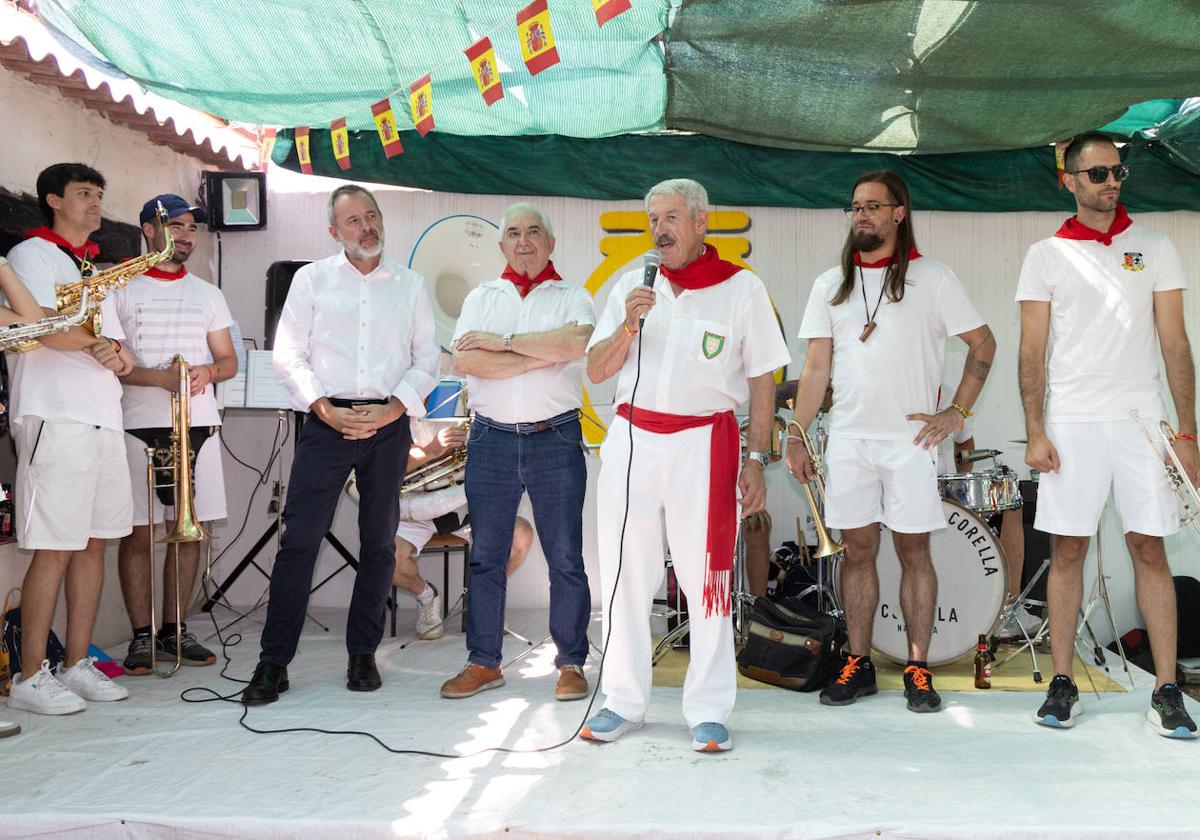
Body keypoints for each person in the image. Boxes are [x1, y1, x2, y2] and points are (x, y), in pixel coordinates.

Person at [584, 178, 790, 752]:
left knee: (709, 583)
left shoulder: (742, 288)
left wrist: (756, 458)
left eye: (671, 217)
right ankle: (623, 702)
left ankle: (708, 708)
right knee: (625, 576)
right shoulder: (633, 284)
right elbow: (597, 371)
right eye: (653, 219)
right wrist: (629, 326)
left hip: (705, 443)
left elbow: (762, 380)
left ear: (701, 222)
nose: (660, 229)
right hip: (632, 441)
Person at [788, 170, 994, 714]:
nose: (862, 215)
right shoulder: (829, 283)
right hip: (849, 441)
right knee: (857, 553)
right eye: (855, 207)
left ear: (899, 213)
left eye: (873, 206)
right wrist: (795, 433)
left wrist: (958, 410)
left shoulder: (934, 277)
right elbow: (813, 369)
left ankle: (918, 667)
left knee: (914, 552)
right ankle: (857, 664)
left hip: (911, 443)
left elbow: (983, 344)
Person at [1017, 132, 1197, 738]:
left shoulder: (1153, 246)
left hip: (1142, 423)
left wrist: (1187, 432)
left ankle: (1167, 689)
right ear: (1068, 181)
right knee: (1068, 550)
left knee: (1150, 548)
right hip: (1071, 422)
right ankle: (1062, 682)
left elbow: (1175, 343)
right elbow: (1032, 351)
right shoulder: (1044, 255)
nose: (1111, 182)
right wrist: (1034, 429)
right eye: (1096, 174)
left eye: (1117, 172)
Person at [242, 184, 438, 705]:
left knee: (378, 544)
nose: (365, 227)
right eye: (352, 221)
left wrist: (395, 406)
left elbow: (427, 358)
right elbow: (288, 354)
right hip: (326, 422)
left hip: (388, 423)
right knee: (300, 539)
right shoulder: (311, 280)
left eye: (371, 216)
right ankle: (273, 662)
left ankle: (362, 654)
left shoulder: (411, 285)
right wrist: (320, 407)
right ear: (334, 232)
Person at [439, 203, 593, 702]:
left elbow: (575, 345)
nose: (523, 241)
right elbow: (465, 359)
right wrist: (538, 353)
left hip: (557, 437)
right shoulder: (483, 296)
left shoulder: (574, 295)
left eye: (533, 232)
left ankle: (570, 662)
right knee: (486, 557)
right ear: (501, 244)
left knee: (565, 557)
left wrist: (502, 347)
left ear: (550, 243)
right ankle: (483, 662)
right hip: (492, 439)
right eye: (513, 233)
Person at [4, 162, 135, 716]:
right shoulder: (32, 255)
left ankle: (76, 663)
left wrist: (116, 353)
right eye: (84, 193)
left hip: (103, 416)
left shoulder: (91, 267)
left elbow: (123, 353)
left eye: (100, 194)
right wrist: (94, 345)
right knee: (56, 547)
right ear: (53, 199)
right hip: (54, 417)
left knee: (95, 542)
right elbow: (44, 329)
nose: (95, 202)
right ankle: (29, 675)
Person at [112, 194, 238, 674]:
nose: (186, 236)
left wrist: (208, 371)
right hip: (137, 422)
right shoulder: (120, 288)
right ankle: (142, 637)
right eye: (177, 226)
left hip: (198, 423)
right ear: (148, 229)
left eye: (192, 229)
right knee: (139, 535)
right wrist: (158, 380)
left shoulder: (209, 293)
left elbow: (228, 362)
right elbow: (110, 362)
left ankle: (175, 629)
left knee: (190, 531)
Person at [390, 420, 533, 639]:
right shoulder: (392, 416)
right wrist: (429, 452)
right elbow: (380, 471)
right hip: (411, 507)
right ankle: (426, 596)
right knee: (388, 557)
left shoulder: (466, 410)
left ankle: (482, 601)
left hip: (465, 504)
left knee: (519, 535)